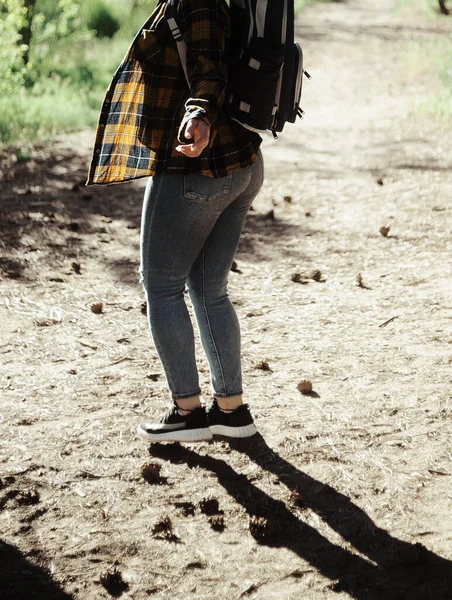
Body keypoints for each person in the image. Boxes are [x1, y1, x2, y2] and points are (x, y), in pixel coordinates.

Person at [87, 0, 264, 442]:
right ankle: (231, 411)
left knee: (162, 285)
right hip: (239, 164)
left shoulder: (196, 2)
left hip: (196, 169)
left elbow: (209, 70)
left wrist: (198, 114)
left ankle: (187, 413)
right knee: (208, 290)